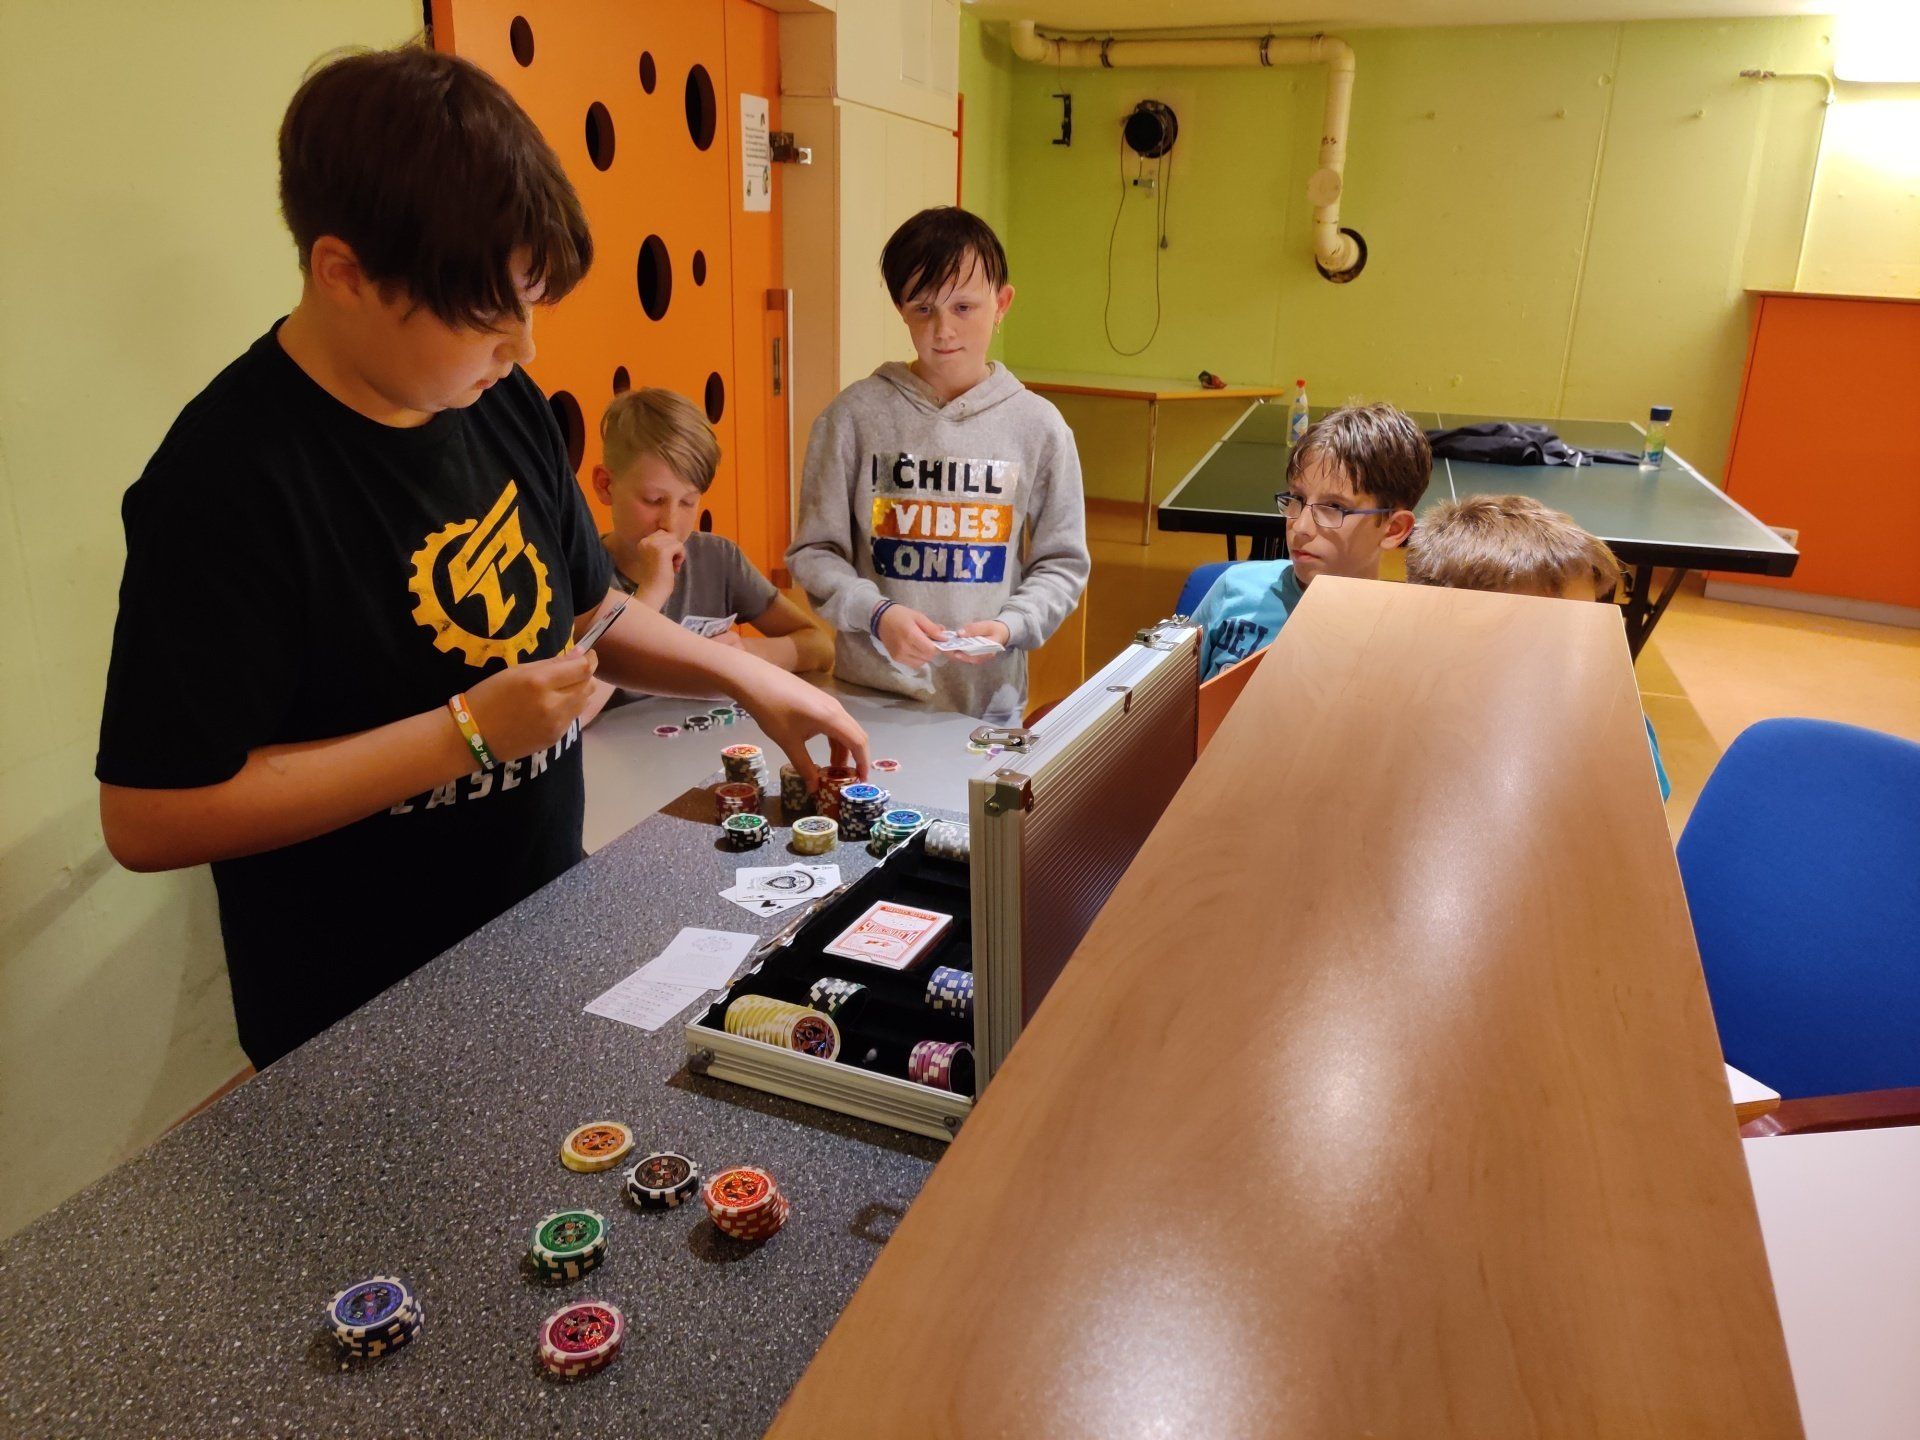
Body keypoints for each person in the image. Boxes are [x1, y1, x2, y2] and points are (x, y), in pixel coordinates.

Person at [94, 45, 866, 1069]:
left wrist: (748, 680)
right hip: (357, 1022)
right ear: (344, 273)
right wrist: (462, 735)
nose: (526, 348)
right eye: (486, 313)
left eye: (531, 303)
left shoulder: (494, 399)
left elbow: (589, 613)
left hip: (544, 934)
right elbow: (150, 816)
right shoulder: (226, 482)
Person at [786, 206, 1089, 725]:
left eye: (964, 307)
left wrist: (1012, 625)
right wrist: (877, 615)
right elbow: (815, 552)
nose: (943, 330)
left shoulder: (1039, 427)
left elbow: (1062, 562)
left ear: (1002, 304)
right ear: (900, 309)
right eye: (922, 309)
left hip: (988, 702)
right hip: (872, 698)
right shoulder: (852, 418)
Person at [583, 387, 831, 718]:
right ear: (605, 485)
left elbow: (819, 646)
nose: (670, 522)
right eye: (653, 500)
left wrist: (745, 653)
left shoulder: (717, 560)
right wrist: (652, 595)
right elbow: (575, 714)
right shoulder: (582, 576)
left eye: (688, 502)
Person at [1404, 493, 1670, 800]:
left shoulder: (1618, 725)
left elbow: (1641, 814)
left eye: (1582, 623)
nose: (1572, 649)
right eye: (1542, 630)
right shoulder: (1408, 720)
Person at [1189, 403, 1430, 681]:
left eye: (1334, 507)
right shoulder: (1233, 589)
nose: (1300, 526)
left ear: (1393, 530)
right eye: (1297, 499)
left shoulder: (1404, 641)